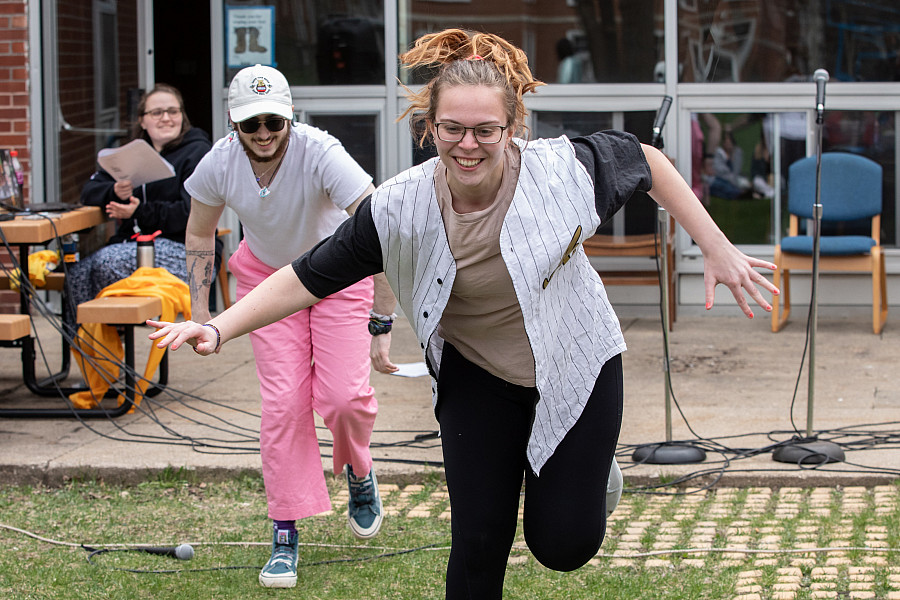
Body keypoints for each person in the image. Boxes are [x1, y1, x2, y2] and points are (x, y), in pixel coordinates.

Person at [149, 31, 780, 599]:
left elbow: (647, 161)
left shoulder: (561, 172)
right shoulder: (400, 205)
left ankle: (582, 477)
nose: (469, 144)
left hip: (575, 365)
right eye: (453, 128)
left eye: (485, 129)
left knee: (563, 546)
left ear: (512, 127)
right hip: (477, 375)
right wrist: (216, 324)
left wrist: (718, 249)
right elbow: (307, 275)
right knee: (478, 543)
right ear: (430, 127)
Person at [180, 64, 392, 589]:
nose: (264, 134)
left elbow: (379, 227)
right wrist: (201, 314)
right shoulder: (218, 164)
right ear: (234, 124)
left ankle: (359, 472)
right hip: (266, 284)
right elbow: (200, 235)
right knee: (283, 405)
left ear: (289, 117)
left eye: (274, 121)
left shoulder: (321, 152)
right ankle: (284, 531)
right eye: (252, 124)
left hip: (337, 276)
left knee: (343, 398)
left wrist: (382, 320)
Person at [68, 84, 216, 309]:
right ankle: (85, 344)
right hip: (133, 244)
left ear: (182, 116)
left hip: (182, 249)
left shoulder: (197, 152)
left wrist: (139, 212)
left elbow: (191, 214)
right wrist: (114, 191)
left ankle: (110, 335)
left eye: (173, 111)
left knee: (104, 263)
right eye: (157, 113)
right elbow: (89, 193)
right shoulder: (132, 153)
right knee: (75, 275)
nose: (166, 118)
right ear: (142, 120)